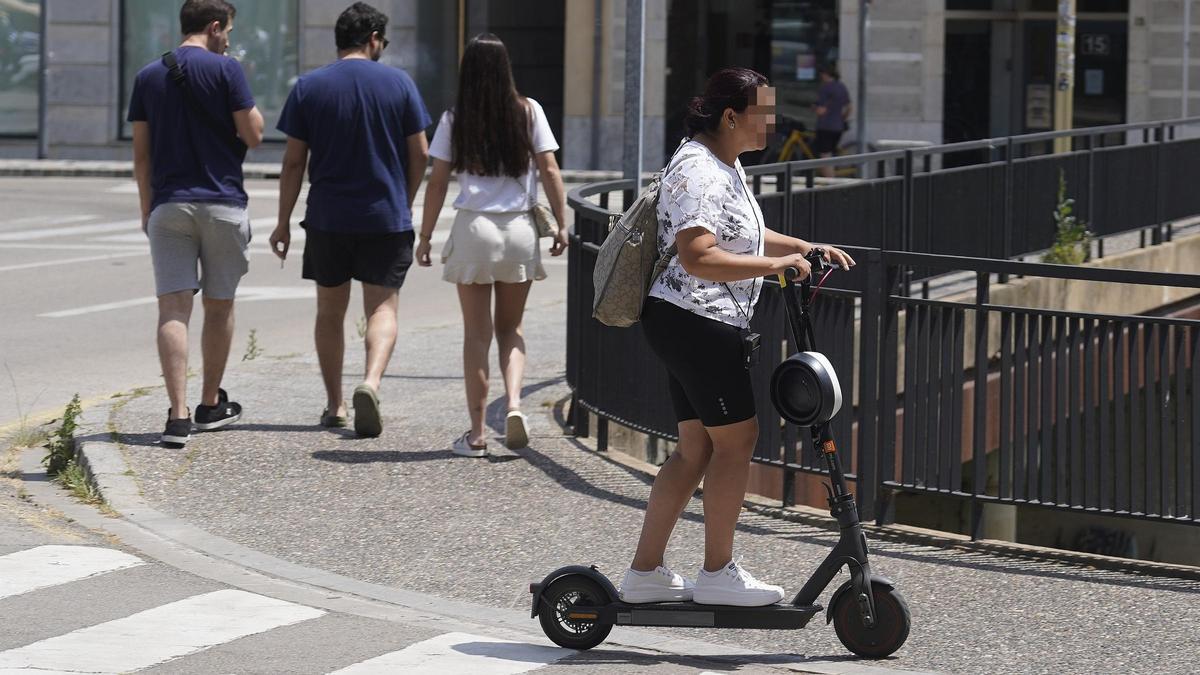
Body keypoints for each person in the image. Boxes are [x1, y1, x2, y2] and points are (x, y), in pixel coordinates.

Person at [618, 68, 855, 607]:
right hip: (698, 320)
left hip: (688, 319)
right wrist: (777, 266)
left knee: (697, 448)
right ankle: (717, 574)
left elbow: (742, 232)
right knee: (737, 441)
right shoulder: (698, 169)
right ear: (730, 117)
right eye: (762, 113)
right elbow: (698, 254)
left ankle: (645, 574)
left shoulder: (725, 162)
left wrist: (805, 247)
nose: (771, 122)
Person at [271, 2, 430, 438]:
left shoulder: (308, 86)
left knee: (329, 312)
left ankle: (335, 403)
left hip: (327, 217)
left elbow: (292, 163)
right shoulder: (399, 84)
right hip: (385, 217)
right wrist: (405, 198)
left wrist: (282, 222)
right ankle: (371, 382)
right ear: (374, 39)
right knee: (381, 308)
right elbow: (420, 153)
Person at [416, 34, 569, 457]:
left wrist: (426, 236)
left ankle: (479, 433)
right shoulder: (529, 111)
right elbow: (551, 169)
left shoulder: (454, 118)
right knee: (511, 329)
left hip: (473, 229)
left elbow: (439, 180)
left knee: (476, 336)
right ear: (506, 70)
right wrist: (560, 225)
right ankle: (515, 404)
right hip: (519, 230)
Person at [128, 0, 265, 449]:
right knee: (220, 305)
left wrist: (148, 208)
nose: (229, 39)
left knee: (173, 310)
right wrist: (235, 74)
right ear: (213, 27)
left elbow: (142, 155)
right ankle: (210, 404)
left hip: (169, 205)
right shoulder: (228, 71)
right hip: (223, 203)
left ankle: (178, 416)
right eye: (227, 31)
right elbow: (254, 134)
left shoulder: (148, 76)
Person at [813, 64, 851, 178]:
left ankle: (830, 183)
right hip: (838, 127)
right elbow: (849, 107)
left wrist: (813, 107)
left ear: (825, 74)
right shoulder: (841, 87)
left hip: (825, 126)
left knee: (825, 156)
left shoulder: (826, 88)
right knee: (830, 154)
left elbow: (821, 111)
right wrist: (841, 118)